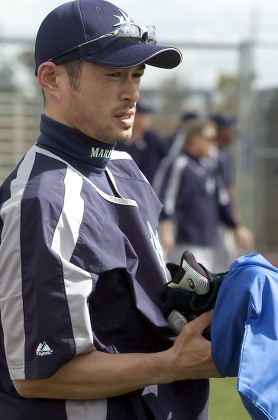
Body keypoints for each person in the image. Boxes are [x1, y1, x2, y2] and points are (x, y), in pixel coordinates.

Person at [0, 1, 219, 419]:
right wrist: (173, 364)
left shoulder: (122, 163)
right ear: (52, 78)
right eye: (114, 74)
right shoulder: (40, 200)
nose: (132, 91)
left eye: (137, 74)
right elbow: (36, 373)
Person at [158, 119, 239, 270]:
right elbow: (167, 200)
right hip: (186, 242)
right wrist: (166, 231)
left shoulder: (211, 166)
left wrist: (237, 228)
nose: (214, 143)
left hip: (211, 241)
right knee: (190, 289)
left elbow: (223, 201)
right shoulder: (179, 164)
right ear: (195, 139)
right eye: (209, 139)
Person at [209, 113, 254, 272]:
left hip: (223, 215)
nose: (232, 132)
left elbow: (229, 187)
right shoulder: (210, 155)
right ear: (218, 131)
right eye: (228, 129)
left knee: (225, 258)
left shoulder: (224, 155)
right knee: (217, 263)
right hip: (210, 217)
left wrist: (233, 211)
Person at [116, 99, 167, 184]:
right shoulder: (119, 136)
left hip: (151, 187)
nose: (148, 118)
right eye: (143, 115)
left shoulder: (151, 137)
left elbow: (166, 160)